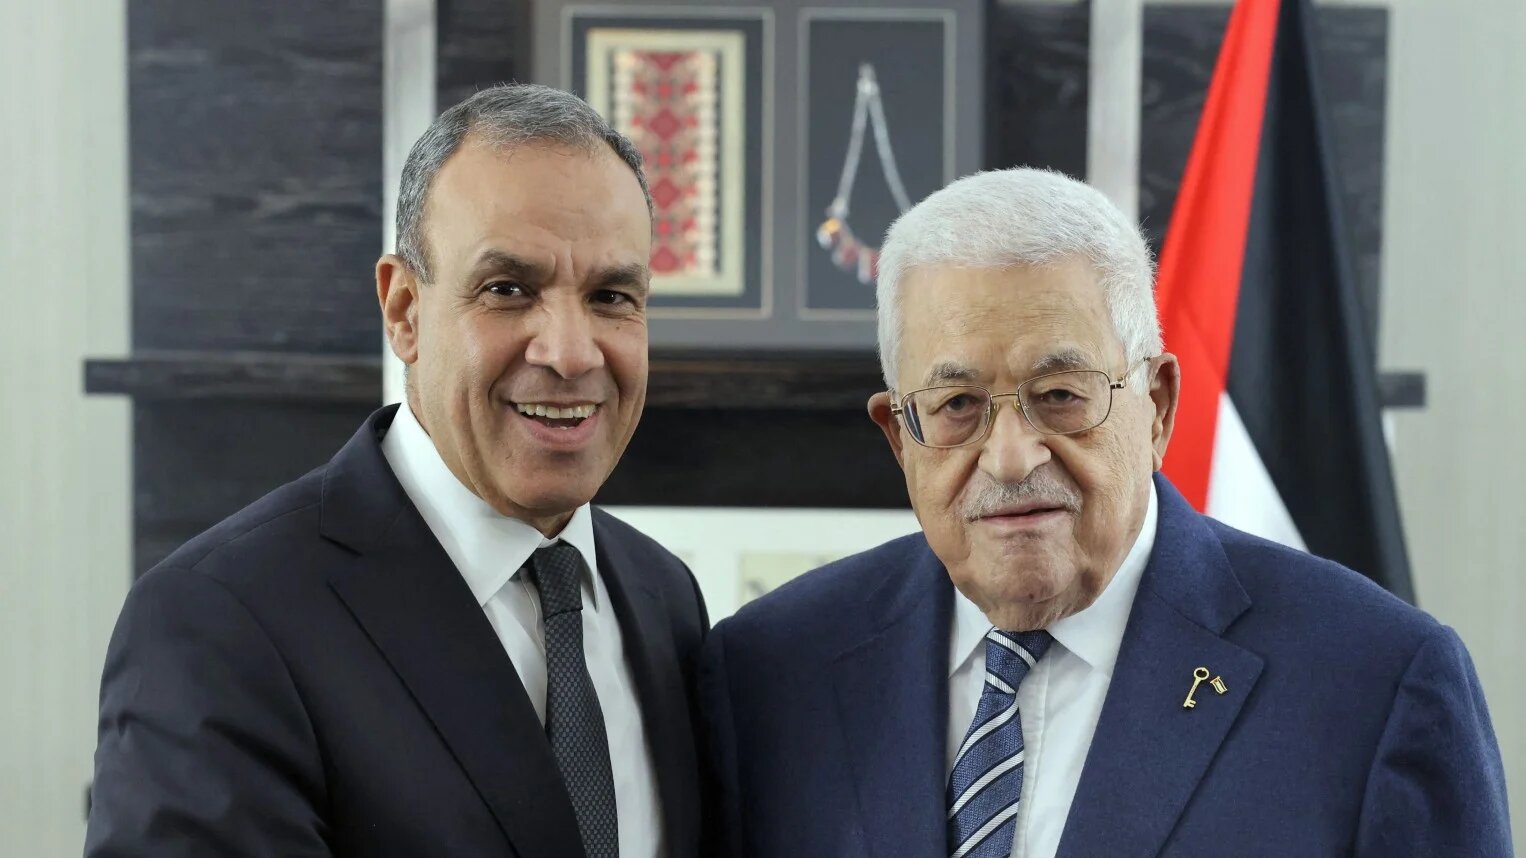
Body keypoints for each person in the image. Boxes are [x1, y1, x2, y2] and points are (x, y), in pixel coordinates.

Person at [699, 168, 1512, 857]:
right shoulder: (771, 674)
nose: (1011, 456)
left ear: (1157, 406)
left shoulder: (1377, 684)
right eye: (956, 405)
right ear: (898, 434)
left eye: (1060, 395)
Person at [86, 84, 709, 858]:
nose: (571, 353)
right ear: (404, 310)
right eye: (508, 290)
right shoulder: (219, 621)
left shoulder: (664, 598)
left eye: (611, 296)